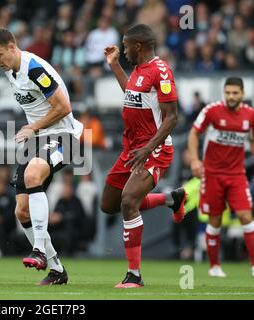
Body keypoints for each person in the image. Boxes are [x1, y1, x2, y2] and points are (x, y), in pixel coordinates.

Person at [0, 28, 84, 285]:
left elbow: (63, 107)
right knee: (22, 212)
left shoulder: (34, 69)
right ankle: (57, 270)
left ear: (12, 46)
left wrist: (33, 127)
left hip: (65, 136)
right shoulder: (10, 70)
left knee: (32, 174)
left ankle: (39, 250)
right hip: (39, 140)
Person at [100, 24, 187, 288]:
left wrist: (149, 148)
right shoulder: (138, 70)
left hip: (154, 150)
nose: (123, 50)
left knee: (128, 201)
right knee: (109, 205)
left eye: (125, 46)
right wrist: (115, 65)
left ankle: (134, 276)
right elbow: (132, 96)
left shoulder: (161, 71)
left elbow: (172, 117)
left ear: (139, 46)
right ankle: (170, 199)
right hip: (132, 148)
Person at [188, 77, 254, 278]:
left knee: (246, 217)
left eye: (235, 93)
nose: (231, 96)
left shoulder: (249, 115)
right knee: (215, 220)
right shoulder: (212, 110)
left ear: (242, 94)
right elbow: (193, 133)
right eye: (228, 93)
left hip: (236, 175)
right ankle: (214, 266)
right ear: (224, 93)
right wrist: (195, 161)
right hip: (212, 175)